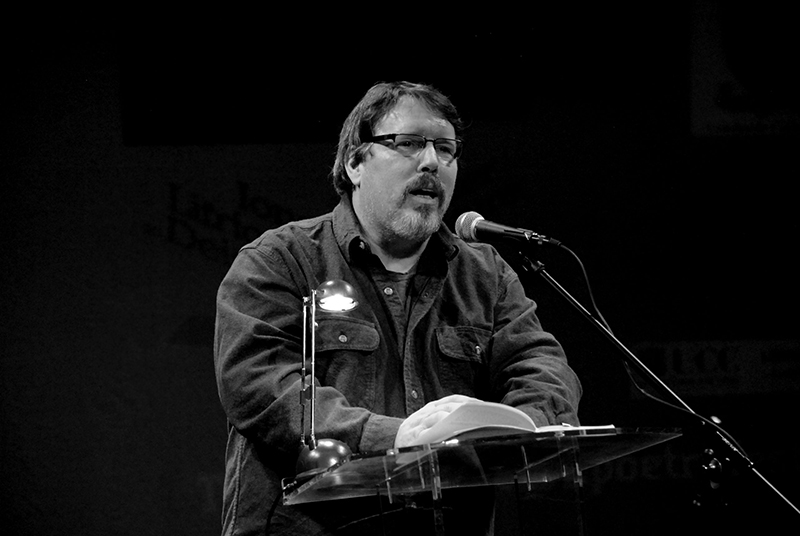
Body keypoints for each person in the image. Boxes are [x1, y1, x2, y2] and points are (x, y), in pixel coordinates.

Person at [214, 81, 582, 535]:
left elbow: (540, 364)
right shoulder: (279, 261)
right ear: (355, 162)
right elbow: (263, 388)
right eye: (407, 143)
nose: (432, 161)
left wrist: (522, 427)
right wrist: (396, 439)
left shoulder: (485, 273)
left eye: (446, 148)